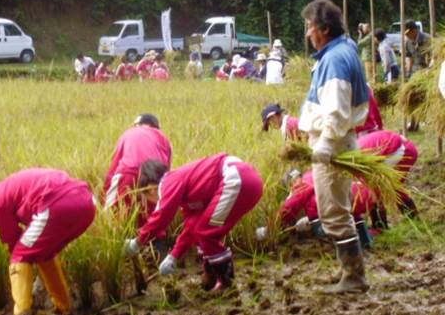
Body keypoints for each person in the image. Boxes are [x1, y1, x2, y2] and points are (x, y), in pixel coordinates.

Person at [0, 168, 96, 315]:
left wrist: (19, 267)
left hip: (56, 205)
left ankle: (22, 314)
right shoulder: (5, 188)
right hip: (86, 202)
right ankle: (63, 308)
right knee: (43, 252)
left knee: (19, 255)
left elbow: (12, 240)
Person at [300, 0, 370, 294]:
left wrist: (326, 143)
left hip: (334, 141)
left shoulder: (334, 59)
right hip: (339, 137)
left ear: (324, 29)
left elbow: (337, 108)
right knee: (337, 207)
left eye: (309, 27)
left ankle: (353, 276)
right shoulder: (344, 49)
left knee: (333, 212)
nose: (307, 34)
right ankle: (349, 271)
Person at [124, 154, 263, 291]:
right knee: (203, 231)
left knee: (205, 233)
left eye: (148, 197)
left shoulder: (168, 182)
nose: (153, 202)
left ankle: (225, 282)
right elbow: (191, 227)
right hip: (248, 181)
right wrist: (174, 256)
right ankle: (211, 276)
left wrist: (137, 242)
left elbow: (161, 216)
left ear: (151, 189)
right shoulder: (187, 190)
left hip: (235, 179)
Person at [262, 169, 379, 249]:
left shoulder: (303, 183)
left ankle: (337, 241)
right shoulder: (314, 172)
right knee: (343, 212)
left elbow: (289, 206)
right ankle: (365, 239)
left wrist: (271, 227)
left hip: (351, 197)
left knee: (316, 217)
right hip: (363, 194)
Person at [103, 114, 172, 216]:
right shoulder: (164, 138)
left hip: (128, 174)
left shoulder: (128, 133)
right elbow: (167, 170)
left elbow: (113, 168)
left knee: (113, 217)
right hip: (154, 180)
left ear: (136, 125)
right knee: (151, 218)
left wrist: (105, 191)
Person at [357, 130, 419, 218]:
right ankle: (381, 224)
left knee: (393, 188)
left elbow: (371, 185)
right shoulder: (354, 148)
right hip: (398, 148)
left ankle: (413, 217)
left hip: (405, 150)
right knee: (379, 189)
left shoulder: (357, 159)